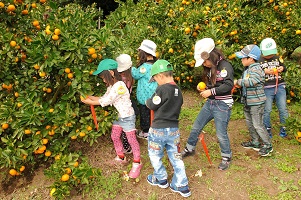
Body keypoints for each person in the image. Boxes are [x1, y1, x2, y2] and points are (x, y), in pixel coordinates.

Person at [81, 59, 142, 178]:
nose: (103, 80)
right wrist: (91, 98)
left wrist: (89, 102)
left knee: (131, 140)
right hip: (118, 117)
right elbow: (104, 97)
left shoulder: (119, 86)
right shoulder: (112, 86)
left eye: (104, 77)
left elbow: (106, 101)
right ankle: (121, 157)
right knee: (114, 136)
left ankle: (137, 162)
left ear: (111, 73)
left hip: (127, 117)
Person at [181, 38, 234, 171]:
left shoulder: (225, 66)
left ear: (212, 56)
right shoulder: (211, 69)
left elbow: (228, 85)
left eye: (205, 61)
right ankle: (190, 148)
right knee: (196, 127)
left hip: (222, 105)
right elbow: (214, 85)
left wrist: (211, 91)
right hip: (210, 103)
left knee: (221, 133)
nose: (204, 64)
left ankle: (226, 157)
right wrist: (206, 89)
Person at [146, 59, 191, 198]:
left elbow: (152, 104)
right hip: (174, 130)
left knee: (155, 155)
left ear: (160, 76)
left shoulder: (162, 89)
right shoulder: (178, 90)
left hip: (158, 130)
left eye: (155, 79)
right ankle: (181, 184)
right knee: (176, 156)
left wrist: (148, 101)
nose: (156, 82)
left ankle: (161, 178)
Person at [234, 44, 273, 156]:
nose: (241, 59)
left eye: (243, 57)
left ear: (250, 58)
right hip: (248, 100)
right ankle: (255, 142)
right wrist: (240, 85)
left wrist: (238, 82)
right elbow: (248, 82)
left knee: (257, 124)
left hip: (256, 102)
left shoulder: (256, 68)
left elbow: (253, 81)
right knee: (250, 123)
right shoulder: (248, 69)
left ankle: (267, 145)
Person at [259, 38, 289, 138]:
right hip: (267, 88)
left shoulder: (277, 57)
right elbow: (254, 73)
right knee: (267, 109)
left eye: (271, 53)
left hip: (279, 86)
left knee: (283, 108)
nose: (270, 56)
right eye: (268, 54)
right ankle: (267, 129)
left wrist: (282, 68)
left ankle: (284, 128)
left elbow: (284, 67)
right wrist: (264, 72)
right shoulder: (258, 60)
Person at [132, 39, 158, 140]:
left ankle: (146, 132)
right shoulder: (156, 65)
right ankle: (154, 129)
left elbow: (136, 75)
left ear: (144, 54)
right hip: (154, 95)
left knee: (145, 115)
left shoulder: (144, 67)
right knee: (154, 114)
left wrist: (132, 68)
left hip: (144, 97)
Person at [116, 54, 138, 154]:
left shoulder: (121, 80)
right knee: (127, 127)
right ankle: (129, 142)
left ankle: (127, 147)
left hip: (123, 104)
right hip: (129, 102)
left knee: (124, 127)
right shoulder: (130, 77)